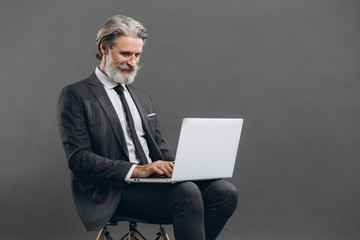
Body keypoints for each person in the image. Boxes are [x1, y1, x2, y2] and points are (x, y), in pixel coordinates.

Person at [57, 15, 238, 240]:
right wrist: (135, 170)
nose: (133, 63)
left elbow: (159, 148)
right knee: (187, 192)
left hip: (153, 184)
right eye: (125, 54)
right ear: (104, 48)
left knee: (224, 192)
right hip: (112, 191)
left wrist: (180, 168)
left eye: (137, 55)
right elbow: (78, 159)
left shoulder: (142, 97)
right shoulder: (76, 94)